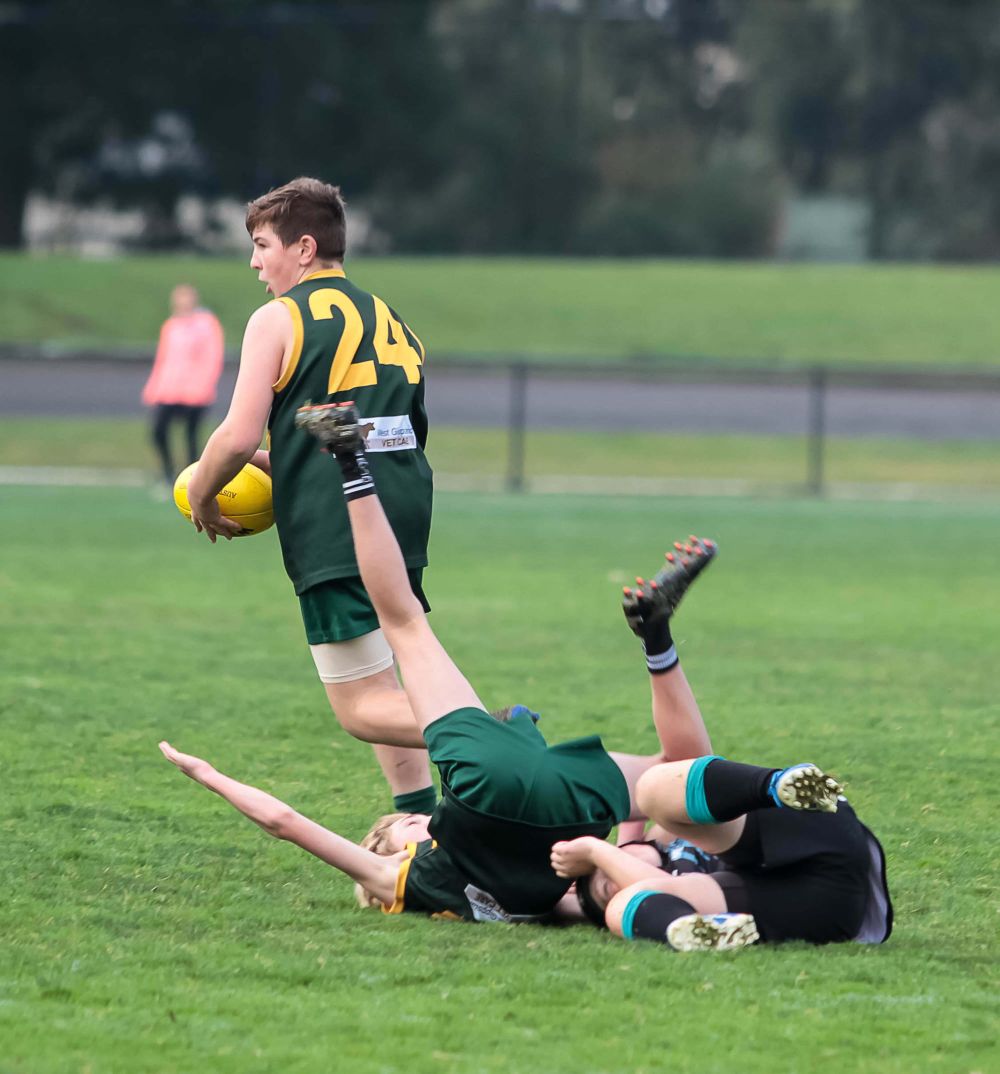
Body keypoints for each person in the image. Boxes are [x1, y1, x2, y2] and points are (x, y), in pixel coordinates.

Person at [161, 400, 670, 922]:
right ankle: (350, 463)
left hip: (509, 785)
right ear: (389, 852)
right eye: (400, 825)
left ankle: (662, 651)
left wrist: (212, 776)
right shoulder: (404, 877)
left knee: (667, 778)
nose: (412, 821)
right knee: (401, 620)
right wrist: (206, 776)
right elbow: (284, 822)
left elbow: (287, 821)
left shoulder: (422, 881)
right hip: (494, 784)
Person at [183, 177, 437, 818]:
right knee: (385, 666)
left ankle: (491, 729)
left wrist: (205, 496)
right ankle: (418, 814)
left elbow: (237, 436)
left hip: (336, 519)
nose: (253, 262)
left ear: (302, 247)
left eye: (261, 244)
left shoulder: (278, 317)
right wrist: (288, 463)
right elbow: (383, 429)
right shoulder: (389, 316)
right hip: (400, 505)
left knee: (360, 708)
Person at [549, 542, 894, 952]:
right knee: (620, 908)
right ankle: (700, 935)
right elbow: (607, 897)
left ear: (627, 844)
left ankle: (780, 784)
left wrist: (655, 641)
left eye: (611, 871)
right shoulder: (678, 884)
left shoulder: (658, 834)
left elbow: (688, 760)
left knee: (653, 790)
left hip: (813, 828)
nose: (617, 875)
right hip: (818, 907)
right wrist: (592, 865)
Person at [142, 284, 225, 489]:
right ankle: (168, 474)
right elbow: (164, 358)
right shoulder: (171, 325)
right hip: (169, 390)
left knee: (191, 437)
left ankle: (191, 480)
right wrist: (154, 387)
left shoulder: (206, 324)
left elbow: (212, 357)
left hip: (195, 392)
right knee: (158, 431)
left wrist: (205, 386)